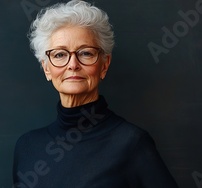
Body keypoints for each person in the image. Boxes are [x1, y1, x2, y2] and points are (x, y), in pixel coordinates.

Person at [12, 1, 178, 187]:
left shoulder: (131, 143)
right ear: (46, 68)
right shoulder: (27, 147)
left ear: (104, 65)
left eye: (85, 53)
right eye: (59, 55)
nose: (73, 64)